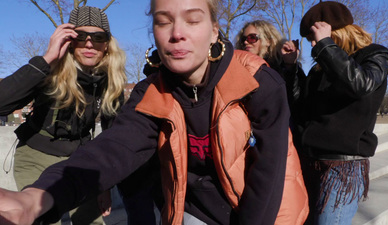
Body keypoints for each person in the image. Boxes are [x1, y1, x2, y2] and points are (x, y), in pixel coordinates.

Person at [0, 0, 289, 224]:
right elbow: (115, 147)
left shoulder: (258, 82)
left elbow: (268, 179)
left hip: (266, 211)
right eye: (163, 22)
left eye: (192, 20)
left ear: (214, 29)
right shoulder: (151, 92)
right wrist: (37, 198)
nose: (177, 34)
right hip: (192, 212)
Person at [0, 6, 127, 225]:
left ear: (106, 45)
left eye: (98, 37)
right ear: (68, 40)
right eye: (80, 36)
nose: (89, 43)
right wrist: (47, 58)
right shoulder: (51, 69)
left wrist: (105, 185)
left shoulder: (111, 82)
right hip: (36, 154)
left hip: (81, 159)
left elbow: (112, 136)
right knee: (45, 218)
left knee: (93, 221)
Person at [288, 1, 388, 224]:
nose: (314, 45)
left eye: (315, 38)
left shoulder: (375, 55)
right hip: (309, 162)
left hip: (343, 168)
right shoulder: (321, 68)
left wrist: (325, 44)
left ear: (335, 33)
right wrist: (291, 69)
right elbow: (302, 108)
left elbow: (361, 84)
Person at [235, 20, 309, 225]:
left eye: (252, 38)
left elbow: (296, 103)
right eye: (243, 39)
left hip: (280, 147)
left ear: (268, 41)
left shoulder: (280, 69)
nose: (246, 42)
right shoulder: (237, 69)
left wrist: (291, 66)